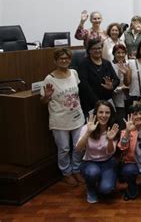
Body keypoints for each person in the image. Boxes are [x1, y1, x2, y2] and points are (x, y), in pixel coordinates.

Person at [40, 48, 85, 186]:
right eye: (61, 58)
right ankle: (66, 173)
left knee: (79, 146)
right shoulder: (49, 79)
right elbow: (43, 101)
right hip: (59, 120)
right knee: (64, 148)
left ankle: (76, 169)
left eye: (67, 58)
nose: (64, 60)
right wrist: (46, 97)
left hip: (77, 116)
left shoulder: (74, 73)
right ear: (55, 61)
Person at [76, 100, 120, 204]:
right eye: (101, 112)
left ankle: (103, 180)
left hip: (107, 162)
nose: (104, 115)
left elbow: (110, 152)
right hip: (89, 162)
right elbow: (78, 149)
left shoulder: (113, 128)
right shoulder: (87, 127)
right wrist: (88, 132)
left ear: (111, 114)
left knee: (106, 189)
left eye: (107, 112)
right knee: (93, 172)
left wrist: (110, 139)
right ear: (96, 113)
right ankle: (90, 188)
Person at [77, 39, 119, 116]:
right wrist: (98, 103)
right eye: (94, 48)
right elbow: (84, 87)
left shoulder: (107, 63)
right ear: (89, 50)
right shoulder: (83, 64)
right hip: (91, 104)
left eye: (99, 48)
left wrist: (112, 86)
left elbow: (117, 79)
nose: (97, 50)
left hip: (107, 102)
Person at [110, 44, 130, 125]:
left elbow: (129, 82)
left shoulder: (128, 64)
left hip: (128, 95)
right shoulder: (110, 64)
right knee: (119, 121)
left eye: (123, 53)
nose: (121, 55)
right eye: (118, 53)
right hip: (115, 96)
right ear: (114, 53)